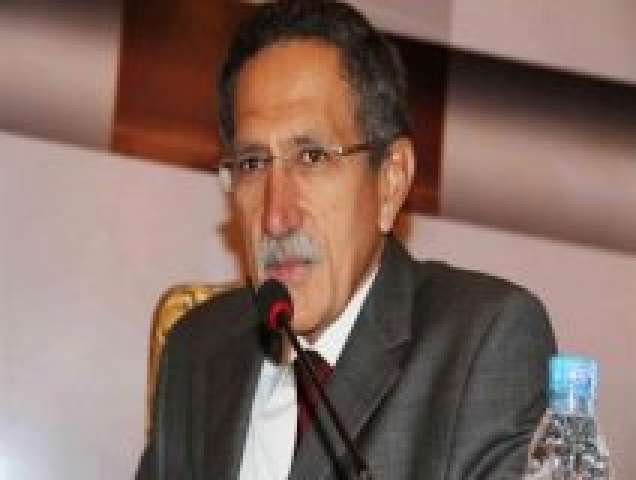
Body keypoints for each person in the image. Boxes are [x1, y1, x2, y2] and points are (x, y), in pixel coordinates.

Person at [136, 1, 557, 478]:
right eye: (252, 163)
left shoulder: (482, 346)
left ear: (390, 181)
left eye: (312, 157)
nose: (276, 216)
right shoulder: (195, 353)